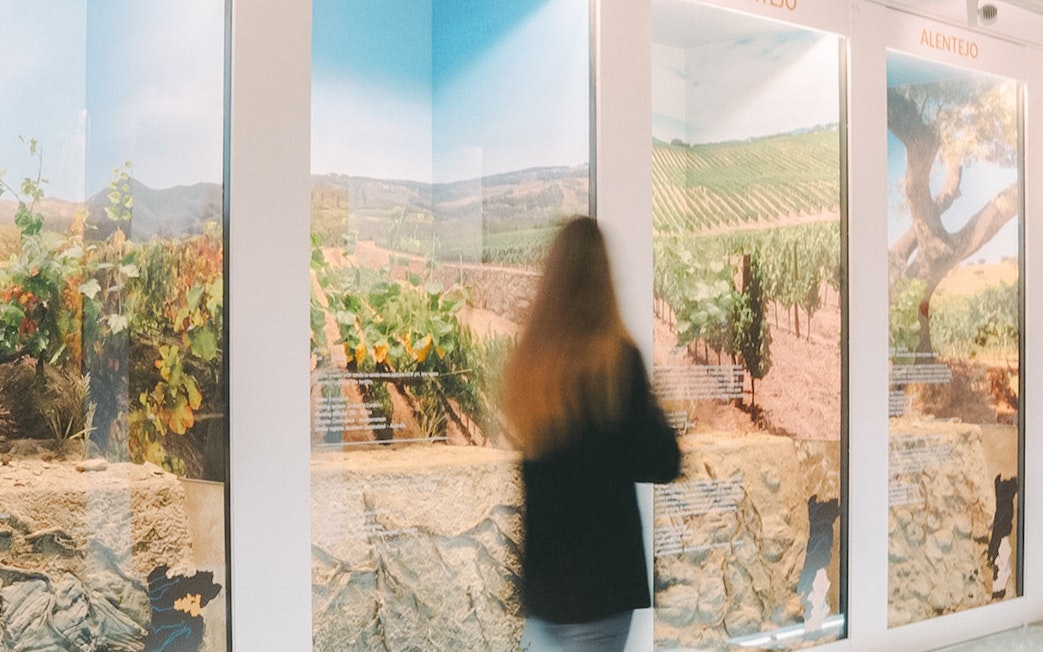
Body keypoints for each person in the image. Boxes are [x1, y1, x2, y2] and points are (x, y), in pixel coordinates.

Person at [501, 216, 681, 651]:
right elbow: (664, 461)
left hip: (546, 592)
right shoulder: (617, 362)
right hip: (602, 589)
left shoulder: (532, 364)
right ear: (604, 279)